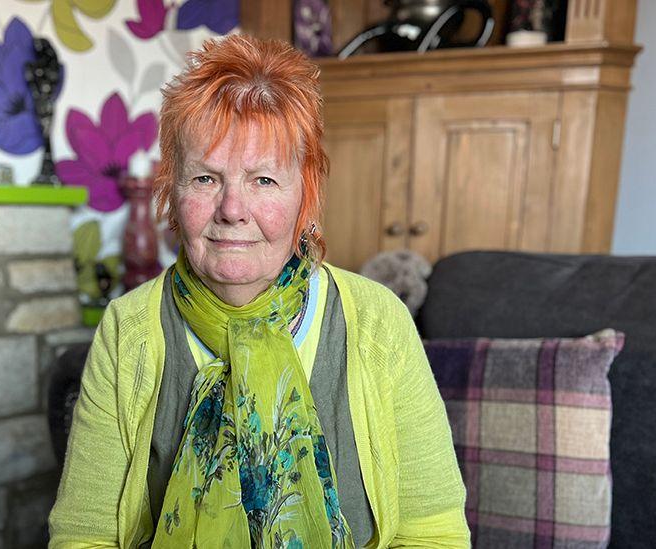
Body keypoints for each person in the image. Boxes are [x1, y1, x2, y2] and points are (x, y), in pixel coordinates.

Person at [48, 34, 469, 548]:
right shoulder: (128, 329)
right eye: (205, 178)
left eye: (263, 180)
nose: (231, 208)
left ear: (305, 197)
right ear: (173, 193)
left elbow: (434, 533)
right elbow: (83, 536)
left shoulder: (379, 320)